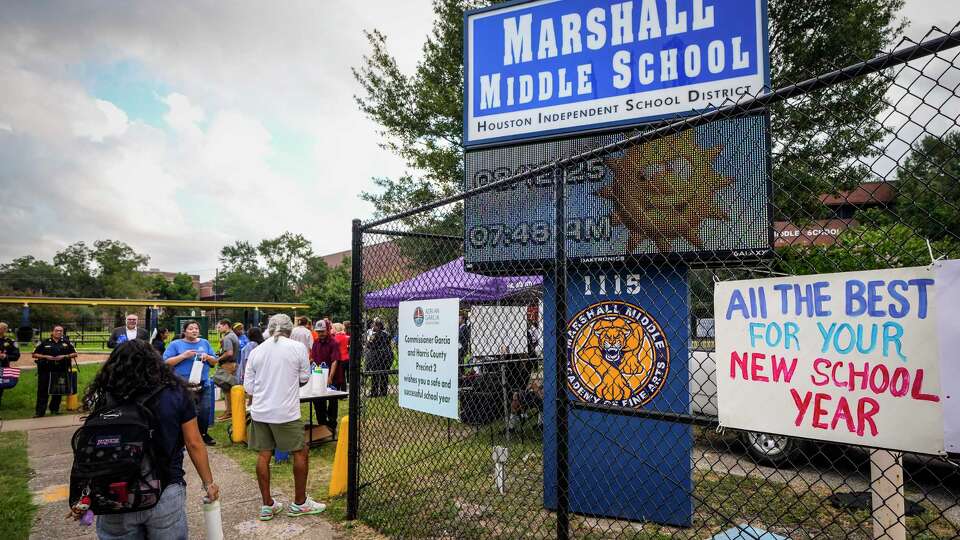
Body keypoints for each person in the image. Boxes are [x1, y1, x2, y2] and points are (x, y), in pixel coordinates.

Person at [84, 340, 220, 539]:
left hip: (115, 490)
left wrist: (84, 491)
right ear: (155, 363)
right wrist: (208, 483)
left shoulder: (105, 396)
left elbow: (93, 446)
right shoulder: (176, 394)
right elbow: (194, 442)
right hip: (165, 487)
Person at [243, 314, 326, 520]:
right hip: (285, 411)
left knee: (264, 454)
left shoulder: (257, 350)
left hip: (260, 410)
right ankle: (299, 502)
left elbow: (248, 386)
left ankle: (267, 505)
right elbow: (304, 378)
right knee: (300, 451)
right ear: (290, 330)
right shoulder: (297, 348)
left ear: (269, 329)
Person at [162, 320, 219, 446]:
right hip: (182, 384)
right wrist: (183, 356)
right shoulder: (176, 344)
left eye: (196, 329)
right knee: (184, 411)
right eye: (191, 328)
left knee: (205, 410)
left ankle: (203, 434)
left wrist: (208, 357)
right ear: (184, 331)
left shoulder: (205, 343)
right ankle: (181, 436)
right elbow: (165, 362)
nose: (194, 331)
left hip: (203, 383)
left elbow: (215, 361)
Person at [31, 324, 77, 417]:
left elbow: (75, 353)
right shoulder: (44, 342)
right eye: (57, 330)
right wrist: (45, 356)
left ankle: (54, 409)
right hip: (45, 370)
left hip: (61, 370)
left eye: (61, 331)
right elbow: (34, 354)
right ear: (52, 332)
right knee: (43, 391)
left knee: (58, 390)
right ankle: (40, 412)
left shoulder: (66, 342)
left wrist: (64, 356)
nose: (59, 332)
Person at [310, 320, 343, 433]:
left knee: (332, 401)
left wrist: (330, 377)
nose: (320, 334)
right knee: (318, 401)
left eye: (322, 331)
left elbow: (335, 361)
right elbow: (312, 359)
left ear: (327, 330)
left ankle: (332, 425)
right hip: (318, 376)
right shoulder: (316, 343)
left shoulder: (333, 343)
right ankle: (322, 425)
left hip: (331, 377)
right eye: (318, 332)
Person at [214, 319, 240, 422]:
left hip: (227, 365)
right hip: (232, 364)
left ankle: (229, 412)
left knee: (226, 388)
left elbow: (229, 353)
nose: (218, 329)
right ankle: (229, 411)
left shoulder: (228, 337)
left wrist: (217, 359)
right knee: (227, 389)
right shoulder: (233, 335)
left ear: (226, 326)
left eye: (219, 327)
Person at [364, 318, 392, 398]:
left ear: (378, 326)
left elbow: (370, 345)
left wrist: (368, 341)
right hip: (386, 356)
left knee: (375, 374)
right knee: (384, 374)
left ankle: (374, 392)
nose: (373, 326)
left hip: (377, 356)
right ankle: (383, 392)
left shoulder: (375, 335)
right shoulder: (387, 334)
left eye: (374, 325)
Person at [0, 322, 21, 410]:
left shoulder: (10, 342)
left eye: (3, 328)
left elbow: (16, 355)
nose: (1, 330)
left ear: (5, 330)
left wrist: (6, 356)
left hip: (2, 369)